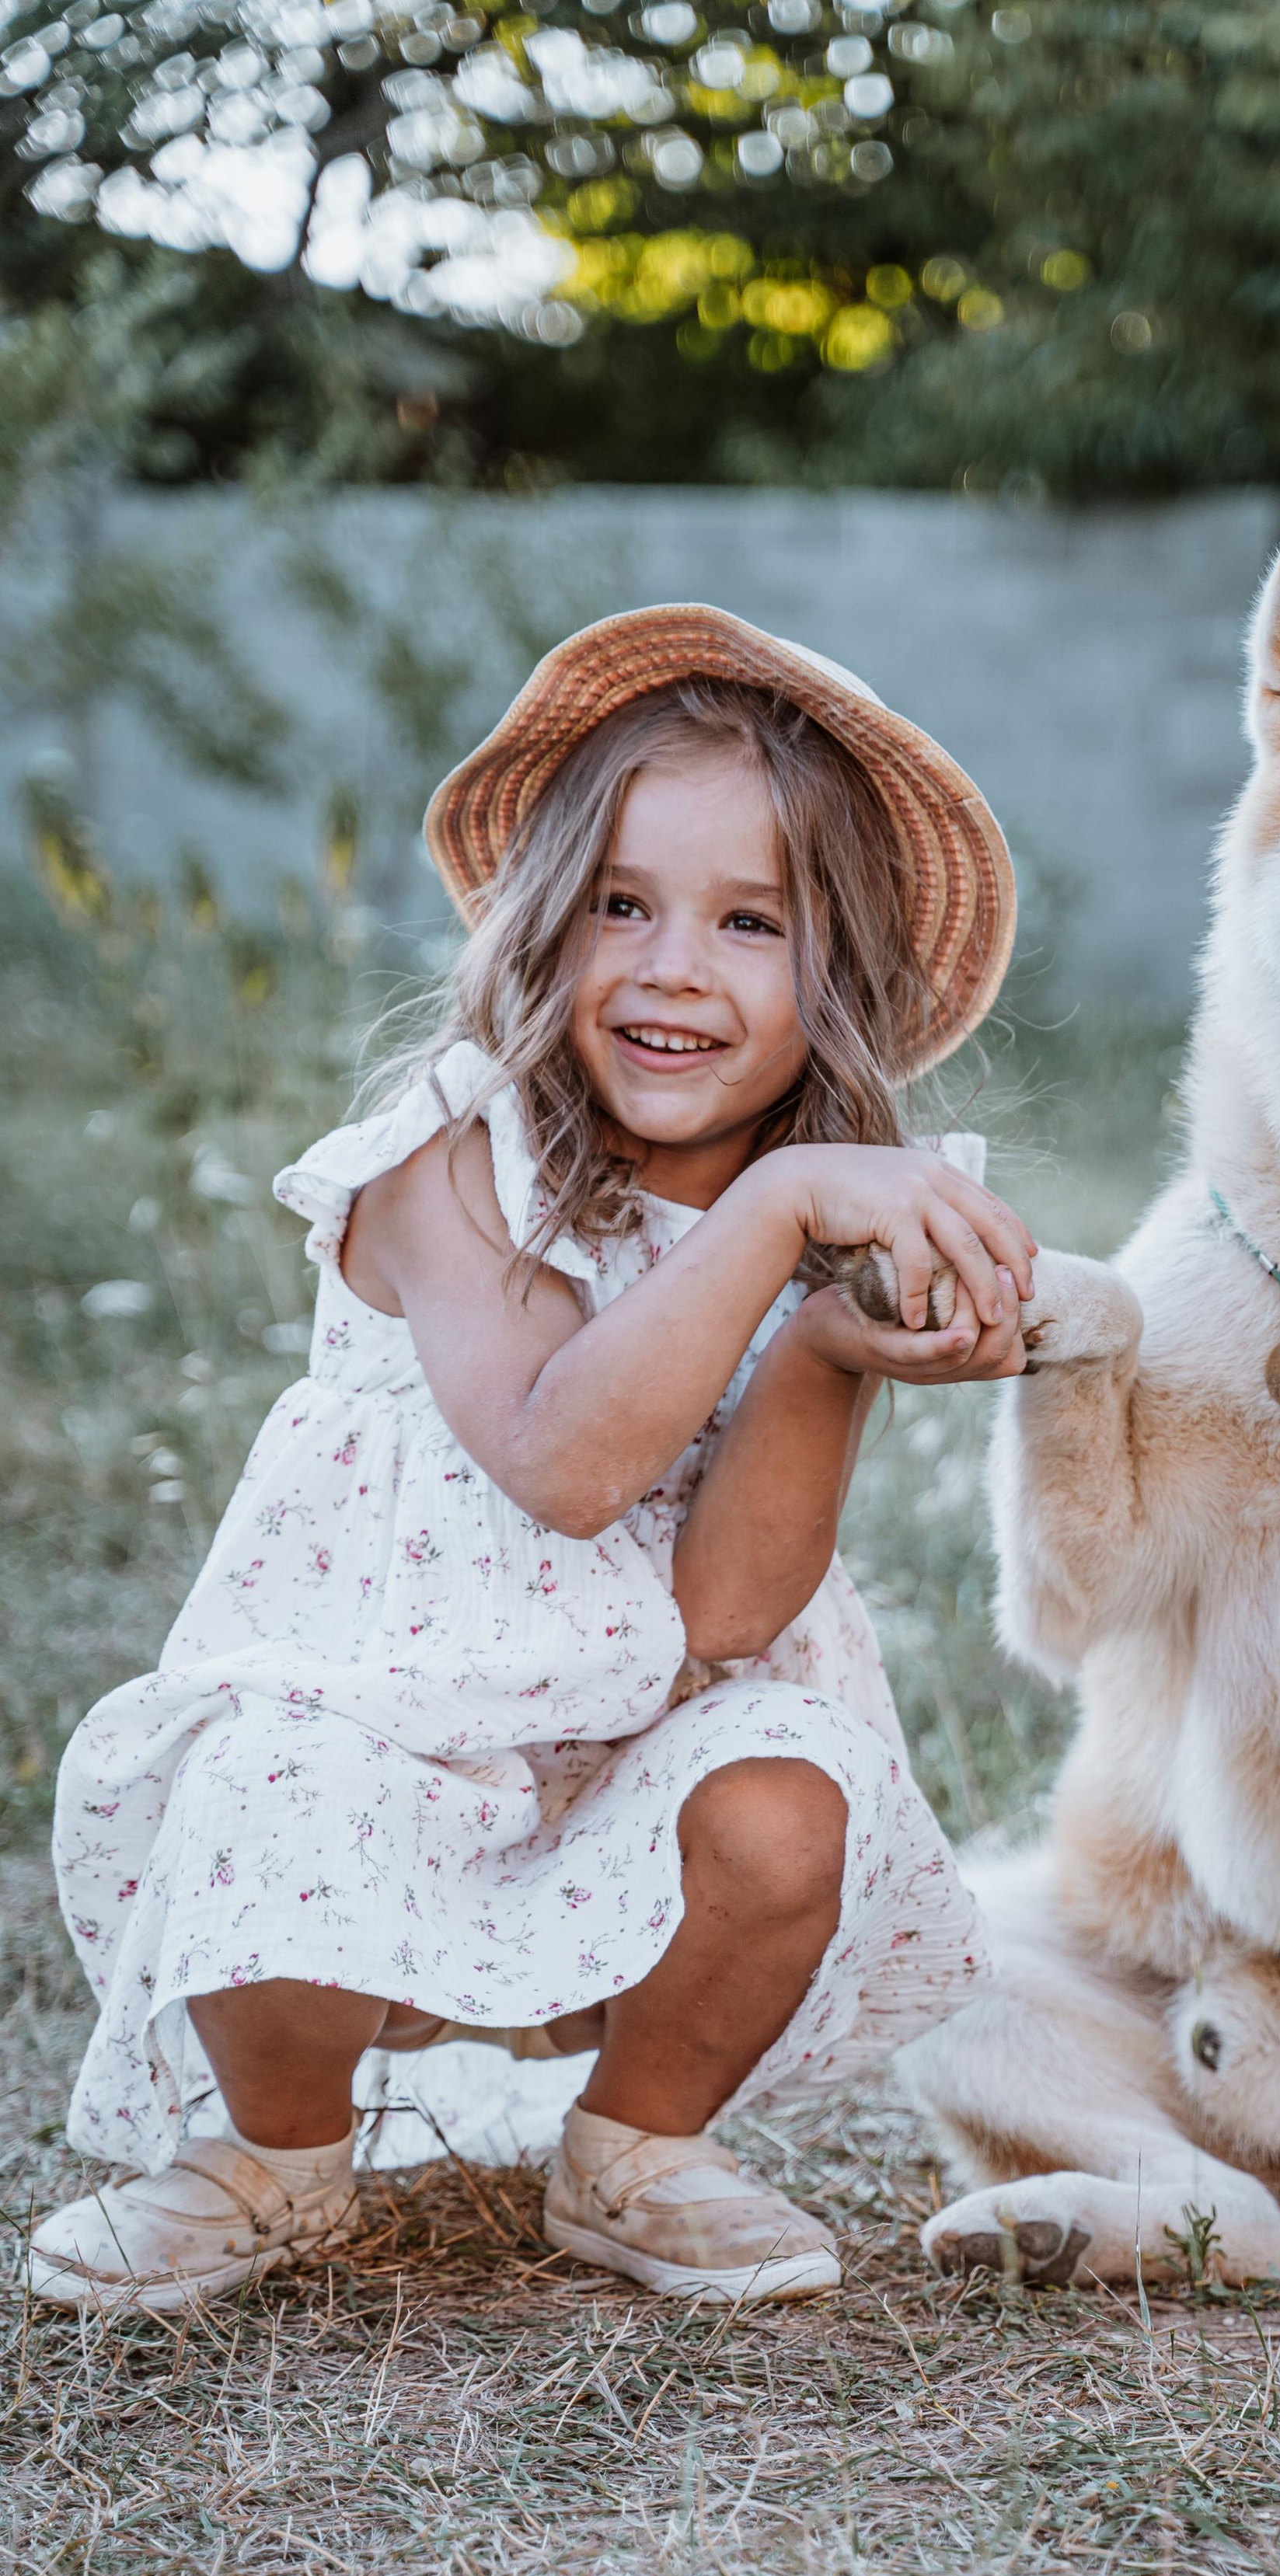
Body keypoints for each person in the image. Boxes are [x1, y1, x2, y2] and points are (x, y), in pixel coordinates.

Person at [30, 606, 1032, 2316]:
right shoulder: (447, 1151)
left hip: (623, 1773)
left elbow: (725, 1607)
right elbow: (564, 1464)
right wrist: (793, 1213)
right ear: (540, 920)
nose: (668, 965)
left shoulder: (793, 1235)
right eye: (619, 906)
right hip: (388, 1747)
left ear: (835, 978)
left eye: (749, 923)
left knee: (791, 1800)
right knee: (263, 1786)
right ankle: (274, 2156)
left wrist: (823, 1344)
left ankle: (634, 2146)